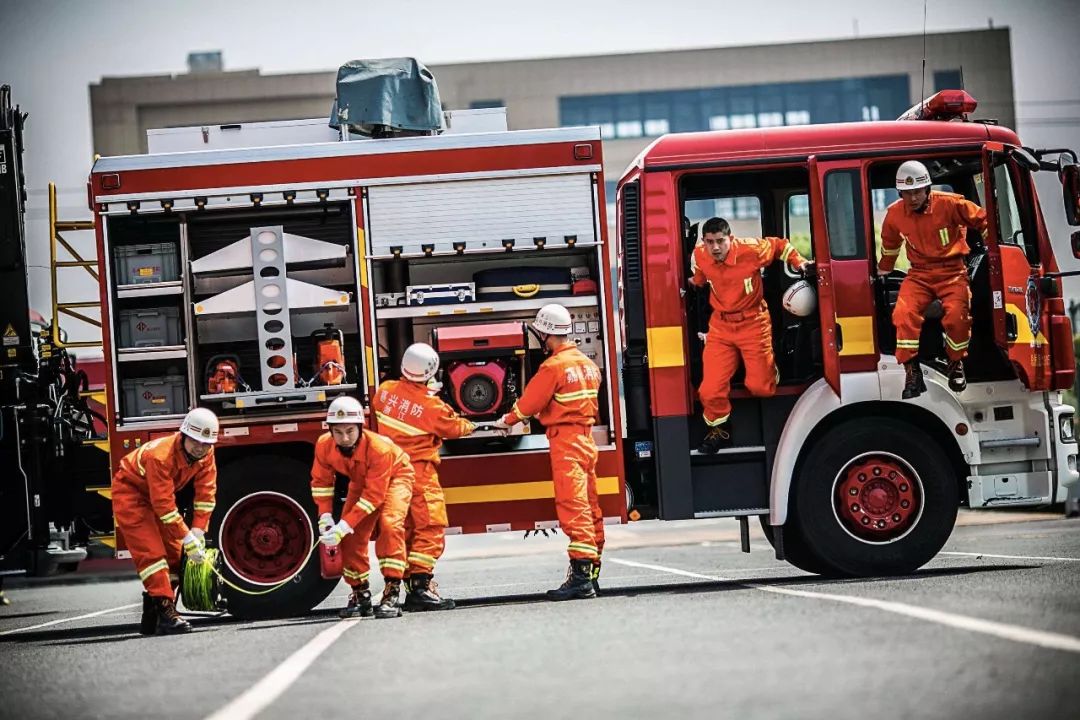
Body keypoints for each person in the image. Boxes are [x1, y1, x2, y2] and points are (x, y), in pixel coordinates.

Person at [492, 304, 604, 600]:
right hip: (586, 440)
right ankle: (592, 574)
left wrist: (506, 420)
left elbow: (530, 403)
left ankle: (581, 578)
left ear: (545, 334)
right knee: (591, 507)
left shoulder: (553, 367)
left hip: (566, 441)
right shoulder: (588, 365)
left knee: (574, 506)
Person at [688, 217, 812, 454]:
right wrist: (690, 283)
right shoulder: (701, 255)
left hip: (754, 323)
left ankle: (770, 369)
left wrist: (801, 262)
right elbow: (700, 277)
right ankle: (719, 429)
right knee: (709, 390)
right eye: (710, 242)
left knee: (761, 388)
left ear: (730, 239)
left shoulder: (750, 249)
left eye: (720, 241)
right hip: (721, 328)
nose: (715, 247)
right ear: (704, 242)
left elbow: (780, 246)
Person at [371, 342, 476, 611]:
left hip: (389, 471)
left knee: (402, 527)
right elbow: (456, 428)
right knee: (429, 526)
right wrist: (471, 423)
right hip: (418, 472)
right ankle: (421, 585)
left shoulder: (384, 392)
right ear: (432, 371)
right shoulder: (432, 406)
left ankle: (404, 581)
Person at [878, 160, 987, 398]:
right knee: (902, 314)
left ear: (928, 188)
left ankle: (956, 362)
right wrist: (884, 270)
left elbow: (983, 220)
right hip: (919, 274)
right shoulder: (895, 214)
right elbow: (889, 245)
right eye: (907, 193)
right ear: (900, 193)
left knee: (958, 317)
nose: (913, 198)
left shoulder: (950, 204)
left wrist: (995, 251)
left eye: (917, 191)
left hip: (953, 271)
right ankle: (911, 370)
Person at [111, 407, 219, 635]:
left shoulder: (206, 454)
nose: (200, 448)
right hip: (132, 495)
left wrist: (199, 530)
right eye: (196, 441)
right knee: (152, 555)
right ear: (184, 435)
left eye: (206, 443)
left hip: (157, 499)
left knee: (174, 556)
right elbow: (164, 507)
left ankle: (152, 614)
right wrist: (188, 536)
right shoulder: (160, 456)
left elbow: (206, 495)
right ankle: (166, 612)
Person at [311, 395, 414, 619]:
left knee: (390, 525)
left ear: (360, 427)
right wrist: (325, 517)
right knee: (349, 538)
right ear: (330, 431)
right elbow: (321, 483)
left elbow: (374, 496)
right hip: (361, 481)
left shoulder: (380, 448)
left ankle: (392, 591)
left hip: (396, 477)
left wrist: (344, 524)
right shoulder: (324, 446)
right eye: (337, 432)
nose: (344, 438)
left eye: (349, 431)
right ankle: (360, 592)